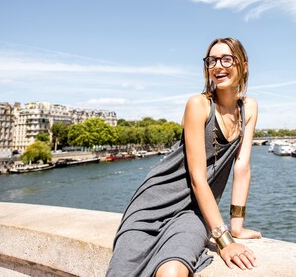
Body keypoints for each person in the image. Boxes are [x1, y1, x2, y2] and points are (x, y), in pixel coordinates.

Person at [107, 37, 261, 277]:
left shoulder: (249, 108)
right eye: (212, 60)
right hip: (153, 206)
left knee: (172, 271)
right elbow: (198, 179)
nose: (218, 66)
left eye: (227, 59)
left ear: (244, 65)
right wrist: (225, 240)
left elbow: (242, 167)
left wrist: (236, 228)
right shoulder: (198, 105)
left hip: (194, 212)